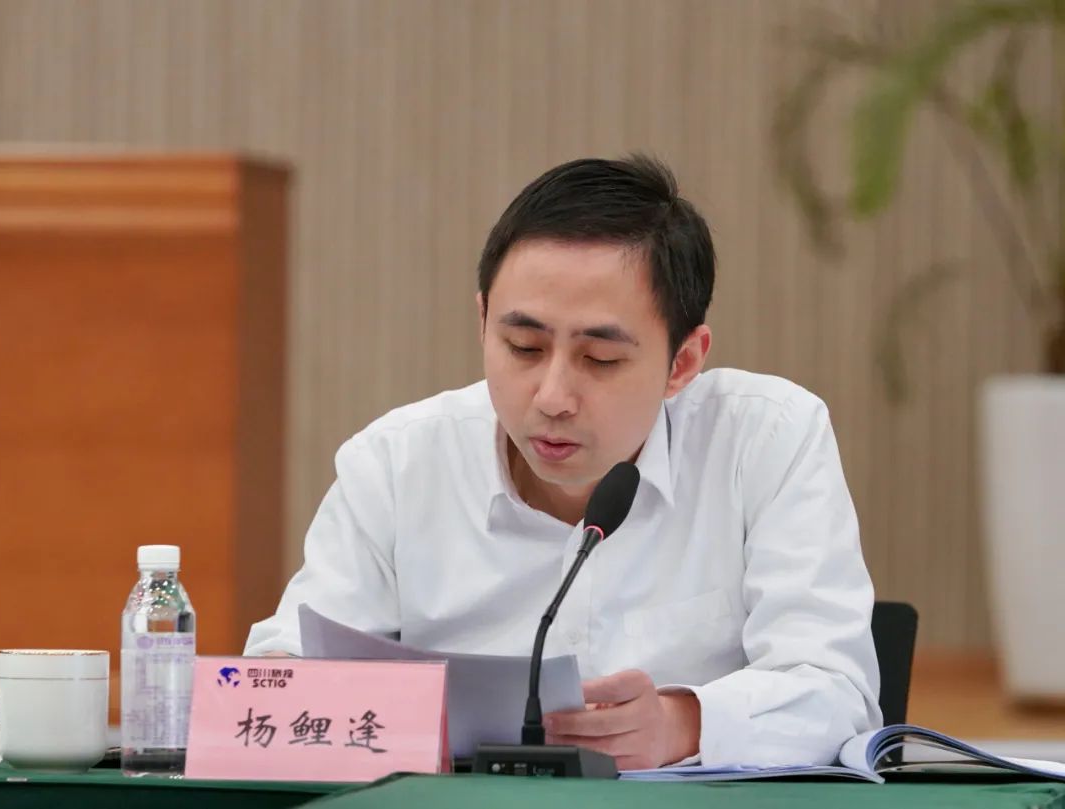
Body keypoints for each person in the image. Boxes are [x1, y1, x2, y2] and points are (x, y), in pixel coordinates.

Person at [245, 155, 882, 770]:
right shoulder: (396, 464)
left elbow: (838, 692)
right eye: (523, 347)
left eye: (599, 359)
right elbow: (282, 678)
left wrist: (680, 724)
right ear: (483, 322)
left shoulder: (764, 440)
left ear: (683, 362)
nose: (552, 398)